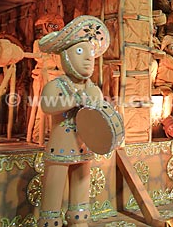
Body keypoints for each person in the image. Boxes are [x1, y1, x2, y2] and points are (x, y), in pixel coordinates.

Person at [37, 15, 110, 227]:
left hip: (84, 145)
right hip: (60, 147)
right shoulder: (56, 85)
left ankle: (79, 219)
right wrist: (74, 100)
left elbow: (99, 111)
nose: (88, 59)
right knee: (54, 185)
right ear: (65, 56)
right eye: (80, 52)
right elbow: (47, 105)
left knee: (81, 184)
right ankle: (50, 220)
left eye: (91, 55)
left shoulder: (93, 88)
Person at [27, 13, 64, 145]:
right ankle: (38, 135)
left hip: (57, 79)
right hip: (44, 79)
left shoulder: (60, 44)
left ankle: (55, 134)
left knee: (59, 109)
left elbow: (59, 64)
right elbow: (46, 62)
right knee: (42, 109)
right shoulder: (39, 43)